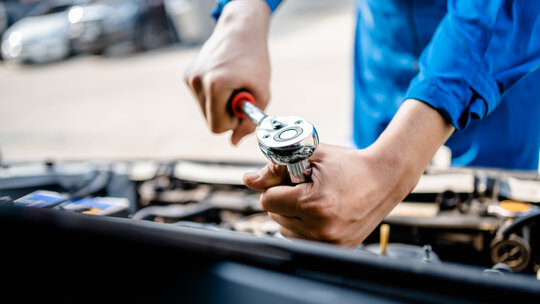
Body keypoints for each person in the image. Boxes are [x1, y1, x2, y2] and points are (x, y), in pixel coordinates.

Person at [184, 0, 540, 247]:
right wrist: (244, 14)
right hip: (384, 46)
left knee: (490, 215)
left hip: (494, 63)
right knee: (353, 196)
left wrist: (394, 162)